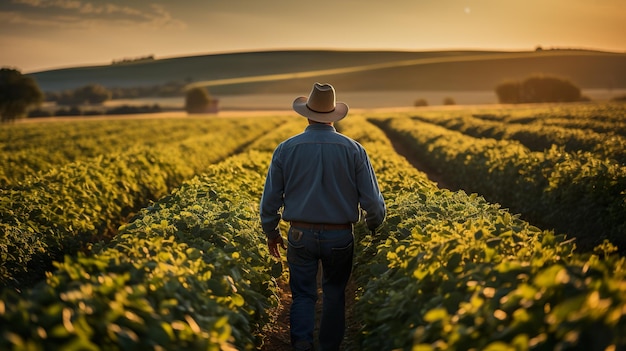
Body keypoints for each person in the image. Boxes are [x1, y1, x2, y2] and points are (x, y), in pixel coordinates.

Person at [260, 82, 386, 351]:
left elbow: (269, 200)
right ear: (334, 116)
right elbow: (373, 204)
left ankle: (302, 344)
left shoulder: (286, 149)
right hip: (340, 235)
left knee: (303, 295)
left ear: (307, 114)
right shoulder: (354, 149)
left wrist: (271, 231)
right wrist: (373, 227)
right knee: (334, 295)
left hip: (299, 234)